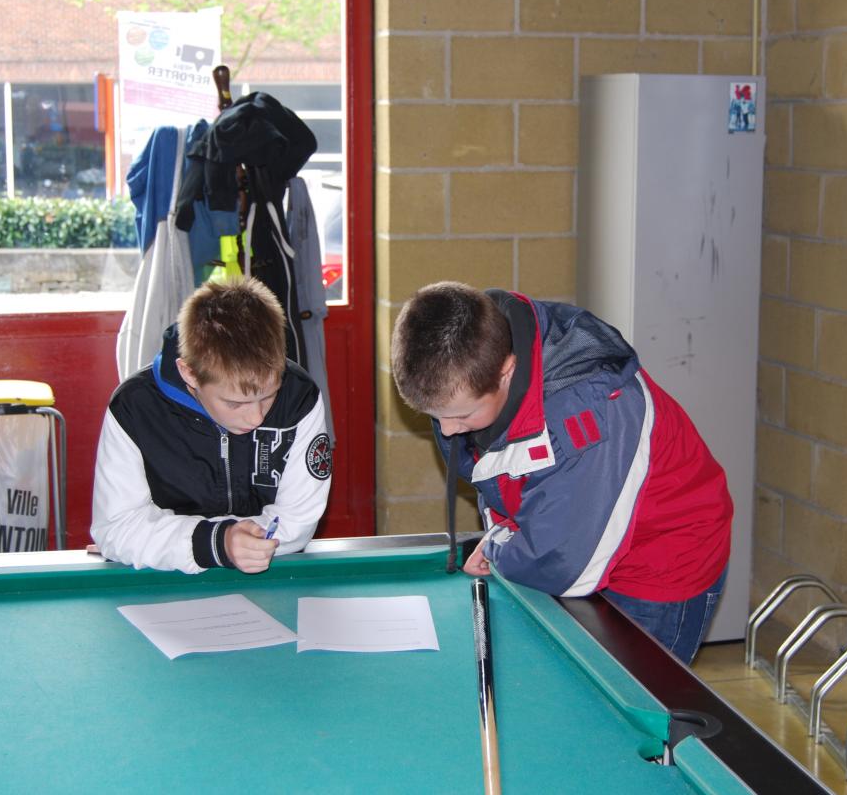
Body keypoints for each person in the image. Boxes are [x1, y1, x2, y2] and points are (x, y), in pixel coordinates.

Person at [390, 282, 731, 664]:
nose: (449, 430)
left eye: (461, 416)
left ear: (507, 372)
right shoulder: (480, 348)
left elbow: (567, 567)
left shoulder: (592, 415)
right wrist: (503, 534)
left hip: (661, 566)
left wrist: (500, 553)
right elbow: (513, 474)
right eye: (436, 418)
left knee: (630, 703)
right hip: (583, 537)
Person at [92, 277, 332, 573]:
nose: (256, 417)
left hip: (269, 578)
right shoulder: (134, 408)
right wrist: (217, 543)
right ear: (189, 374)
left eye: (269, 396)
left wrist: (223, 541)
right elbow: (116, 529)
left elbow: (297, 521)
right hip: (165, 584)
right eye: (235, 404)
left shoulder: (299, 397)